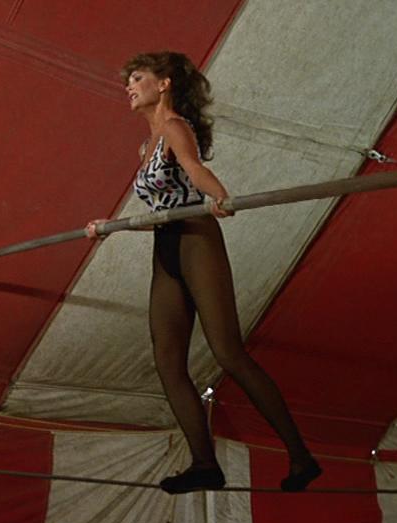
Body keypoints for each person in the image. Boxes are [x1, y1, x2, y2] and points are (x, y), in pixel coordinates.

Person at [87, 51, 321, 495]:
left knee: (227, 352)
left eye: (137, 77)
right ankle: (204, 464)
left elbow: (195, 171)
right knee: (167, 361)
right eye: (128, 80)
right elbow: (158, 210)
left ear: (164, 83)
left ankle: (300, 456)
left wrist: (220, 197)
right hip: (167, 246)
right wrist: (107, 226)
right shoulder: (145, 146)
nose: (129, 86)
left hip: (196, 238)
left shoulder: (175, 128)